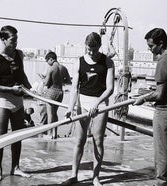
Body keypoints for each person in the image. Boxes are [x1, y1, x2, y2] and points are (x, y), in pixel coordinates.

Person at [134, 28, 167, 186]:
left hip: (165, 111)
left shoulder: (163, 61)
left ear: (161, 43)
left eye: (151, 46)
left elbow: (160, 95)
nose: (149, 49)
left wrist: (143, 99)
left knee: (162, 151)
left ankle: (161, 183)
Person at [61, 32, 114, 186]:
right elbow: (74, 88)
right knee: (79, 140)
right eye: (89, 49)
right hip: (82, 103)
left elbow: (110, 88)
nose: (91, 52)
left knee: (98, 141)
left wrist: (97, 103)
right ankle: (73, 175)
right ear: (85, 46)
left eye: (95, 49)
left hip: (101, 103)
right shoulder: (79, 62)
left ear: (99, 46)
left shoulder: (108, 62)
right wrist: (70, 108)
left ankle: (95, 177)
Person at [0, 25, 32, 181]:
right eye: (13, 40)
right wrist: (11, 89)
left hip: (18, 102)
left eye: (17, 39)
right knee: (1, 137)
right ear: (3, 40)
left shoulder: (19, 54)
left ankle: (15, 167)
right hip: (3, 102)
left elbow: (22, 74)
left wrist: (31, 89)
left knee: (18, 136)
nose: (16, 42)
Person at [40, 51, 64, 139]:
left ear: (51, 59)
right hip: (60, 92)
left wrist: (43, 79)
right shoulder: (63, 68)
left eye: (47, 61)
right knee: (55, 113)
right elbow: (68, 81)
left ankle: (49, 134)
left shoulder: (51, 68)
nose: (47, 63)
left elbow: (46, 83)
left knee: (50, 114)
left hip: (52, 92)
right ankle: (55, 133)